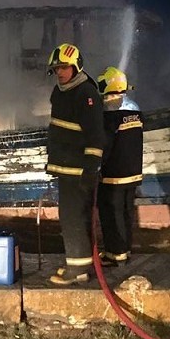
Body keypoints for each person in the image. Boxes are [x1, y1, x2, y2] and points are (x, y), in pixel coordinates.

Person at [44, 43, 105, 285]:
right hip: (65, 166)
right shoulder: (60, 92)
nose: (60, 72)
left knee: (74, 218)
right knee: (68, 217)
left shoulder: (86, 93)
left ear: (76, 66)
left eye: (64, 67)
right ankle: (76, 262)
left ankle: (78, 268)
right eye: (56, 68)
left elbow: (96, 135)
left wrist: (91, 168)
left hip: (78, 169)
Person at [95, 66, 143, 267]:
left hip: (114, 175)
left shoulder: (110, 111)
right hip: (133, 172)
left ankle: (115, 253)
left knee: (111, 214)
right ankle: (125, 249)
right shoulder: (134, 108)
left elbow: (105, 144)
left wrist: (97, 166)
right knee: (126, 213)